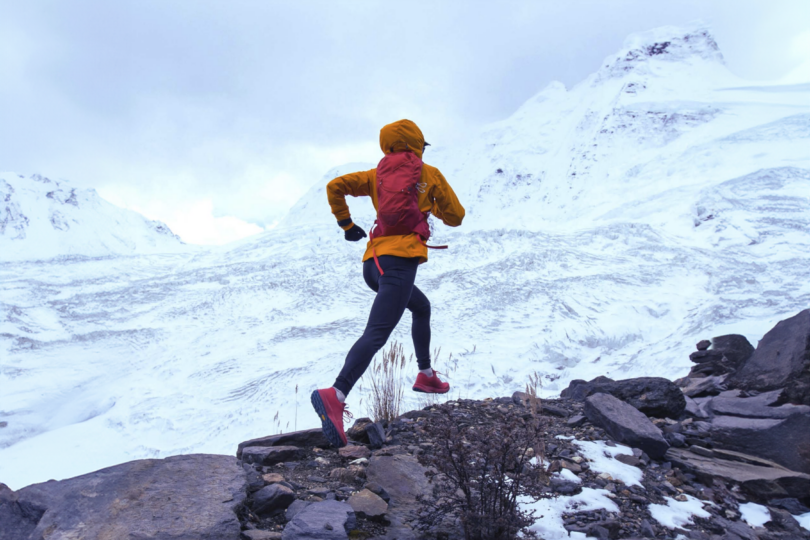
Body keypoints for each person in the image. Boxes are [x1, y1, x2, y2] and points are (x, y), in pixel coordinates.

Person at [310, 119, 465, 448]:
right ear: (417, 145)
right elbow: (456, 216)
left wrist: (347, 224)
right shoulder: (430, 174)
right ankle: (335, 394)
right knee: (377, 333)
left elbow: (334, 186)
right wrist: (430, 205)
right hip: (399, 265)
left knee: (421, 307)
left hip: (373, 265)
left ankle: (425, 375)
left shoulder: (374, 176)